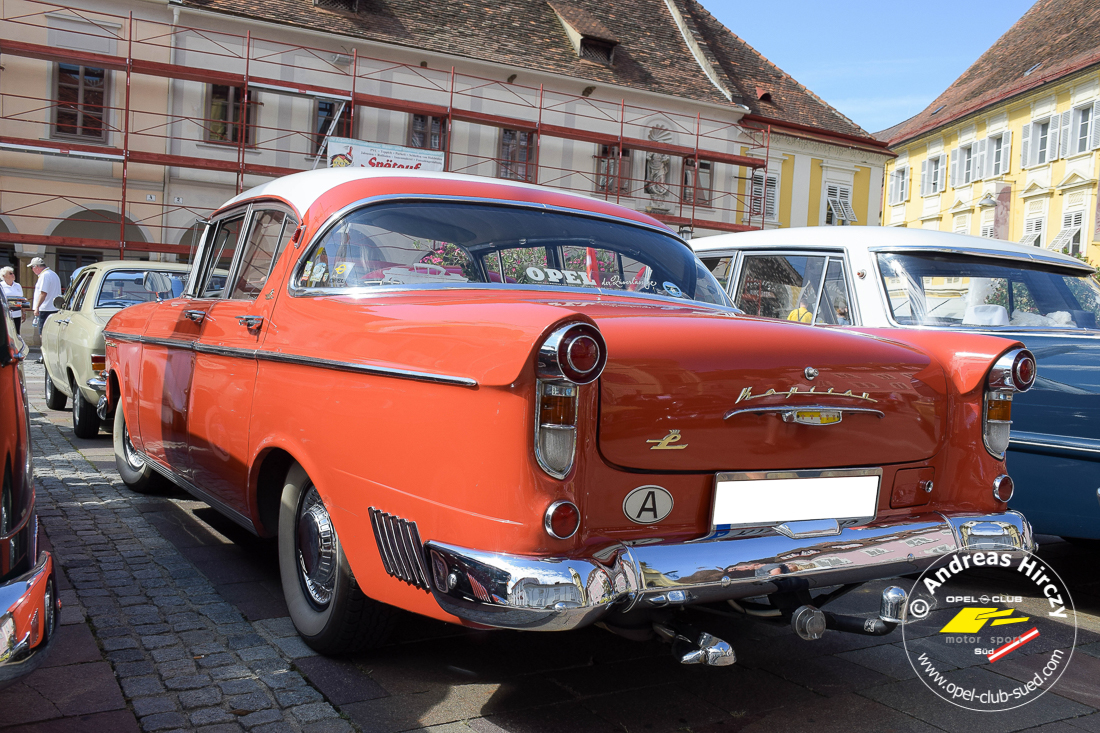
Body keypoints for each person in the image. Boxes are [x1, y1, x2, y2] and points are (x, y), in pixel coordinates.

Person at [30, 257, 62, 355]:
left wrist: (37, 307)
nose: (32, 270)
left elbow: (43, 293)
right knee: (52, 334)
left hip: (46, 308)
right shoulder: (53, 274)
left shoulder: (45, 275)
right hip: (54, 308)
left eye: (32, 267)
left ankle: (45, 355)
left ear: (36, 267)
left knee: (43, 334)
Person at [0, 266, 24, 335]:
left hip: (17, 314)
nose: (13, 275)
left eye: (13, 273)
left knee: (16, 333)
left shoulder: (18, 285)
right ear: (4, 276)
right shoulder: (1, 286)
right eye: (10, 273)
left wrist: (24, 312)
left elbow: (22, 299)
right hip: (5, 315)